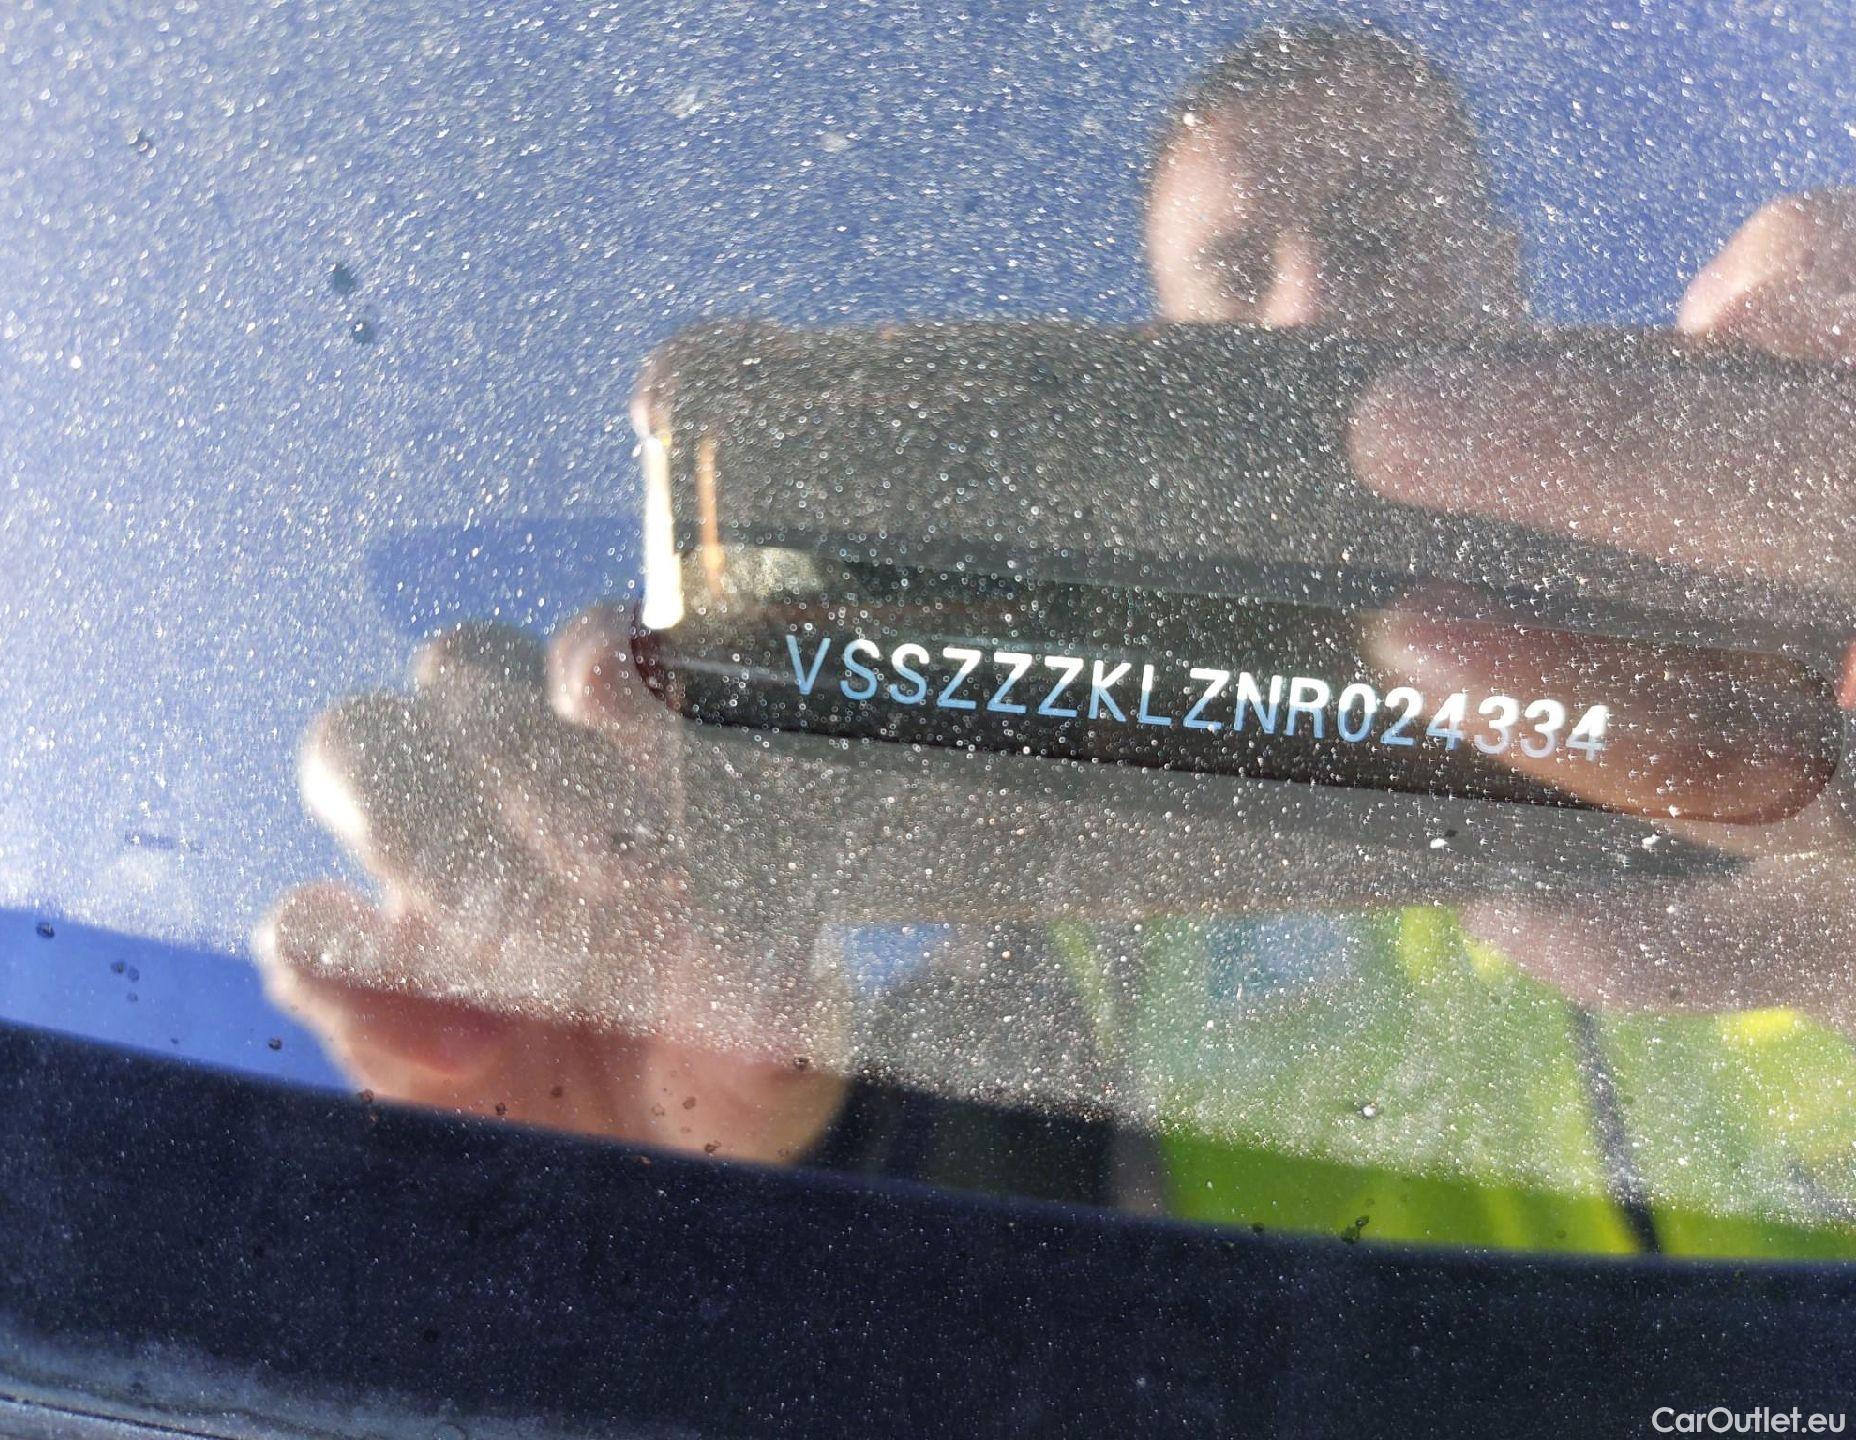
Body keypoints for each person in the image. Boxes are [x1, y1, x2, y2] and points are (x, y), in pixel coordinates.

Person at [255, 22, 1856, 1254]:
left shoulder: (1806, 598)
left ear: (1502, 270)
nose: (1313, 309)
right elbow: (954, 1212)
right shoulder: (1062, 858)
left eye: (1380, 235)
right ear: (1163, 355)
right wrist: (730, 1160)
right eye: (1241, 273)